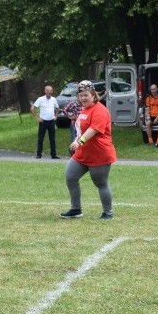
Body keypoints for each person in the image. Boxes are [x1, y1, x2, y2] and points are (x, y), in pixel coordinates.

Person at [60, 81, 117, 220]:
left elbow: (93, 130)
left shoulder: (100, 110)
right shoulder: (84, 110)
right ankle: (76, 209)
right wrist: (76, 140)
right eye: (80, 95)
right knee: (70, 176)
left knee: (100, 182)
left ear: (93, 95)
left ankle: (107, 213)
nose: (83, 98)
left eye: (86, 95)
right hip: (83, 153)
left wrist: (80, 141)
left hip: (99, 154)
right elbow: (81, 129)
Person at [31, 85, 60, 159]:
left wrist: (56, 116)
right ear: (45, 91)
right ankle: (39, 154)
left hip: (51, 121)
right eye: (47, 90)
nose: (49, 92)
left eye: (50, 90)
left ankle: (53, 155)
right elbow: (32, 108)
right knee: (40, 139)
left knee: (52, 139)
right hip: (43, 121)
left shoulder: (54, 99)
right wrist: (37, 118)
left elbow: (57, 108)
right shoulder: (40, 99)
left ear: (52, 91)